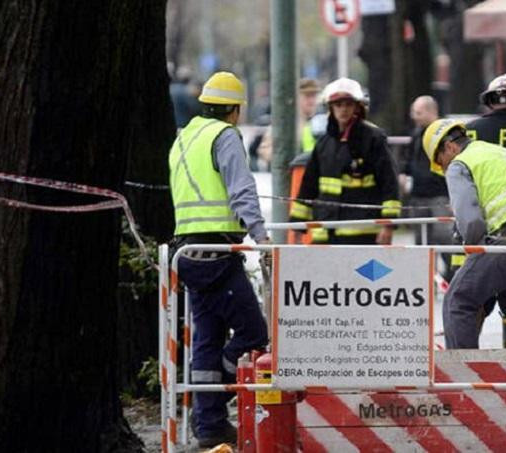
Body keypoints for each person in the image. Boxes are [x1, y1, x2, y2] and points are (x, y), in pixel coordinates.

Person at [168, 71, 268, 447]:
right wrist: (261, 236)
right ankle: (210, 405)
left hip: (188, 253)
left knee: (207, 339)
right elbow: (241, 188)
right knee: (254, 332)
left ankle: (210, 427)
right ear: (235, 110)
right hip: (217, 253)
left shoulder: (184, 138)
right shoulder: (224, 135)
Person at [422, 119, 506, 349]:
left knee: (458, 301)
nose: (444, 169)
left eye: (441, 162)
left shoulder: (460, 164)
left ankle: (462, 375)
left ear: (450, 148)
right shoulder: (501, 154)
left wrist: (472, 255)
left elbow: (472, 224)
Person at [289, 77, 401, 244]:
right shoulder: (324, 144)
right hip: (326, 234)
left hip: (364, 233)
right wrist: (298, 228)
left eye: (348, 104)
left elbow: (389, 183)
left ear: (357, 107)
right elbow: (308, 187)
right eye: (338, 105)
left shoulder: (373, 139)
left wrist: (388, 226)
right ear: (331, 108)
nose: (343, 110)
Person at [400, 96, 455, 281]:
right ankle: (423, 279)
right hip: (419, 196)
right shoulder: (417, 133)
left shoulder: (444, 135)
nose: (414, 116)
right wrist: (404, 172)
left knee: (445, 237)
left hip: (439, 195)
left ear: (432, 112)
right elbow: (408, 159)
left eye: (418, 112)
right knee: (421, 240)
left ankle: (452, 275)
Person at [256, 78, 322, 168]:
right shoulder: (286, 124)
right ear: (296, 98)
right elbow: (266, 152)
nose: (311, 101)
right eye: (307, 96)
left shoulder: (321, 121)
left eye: (314, 96)